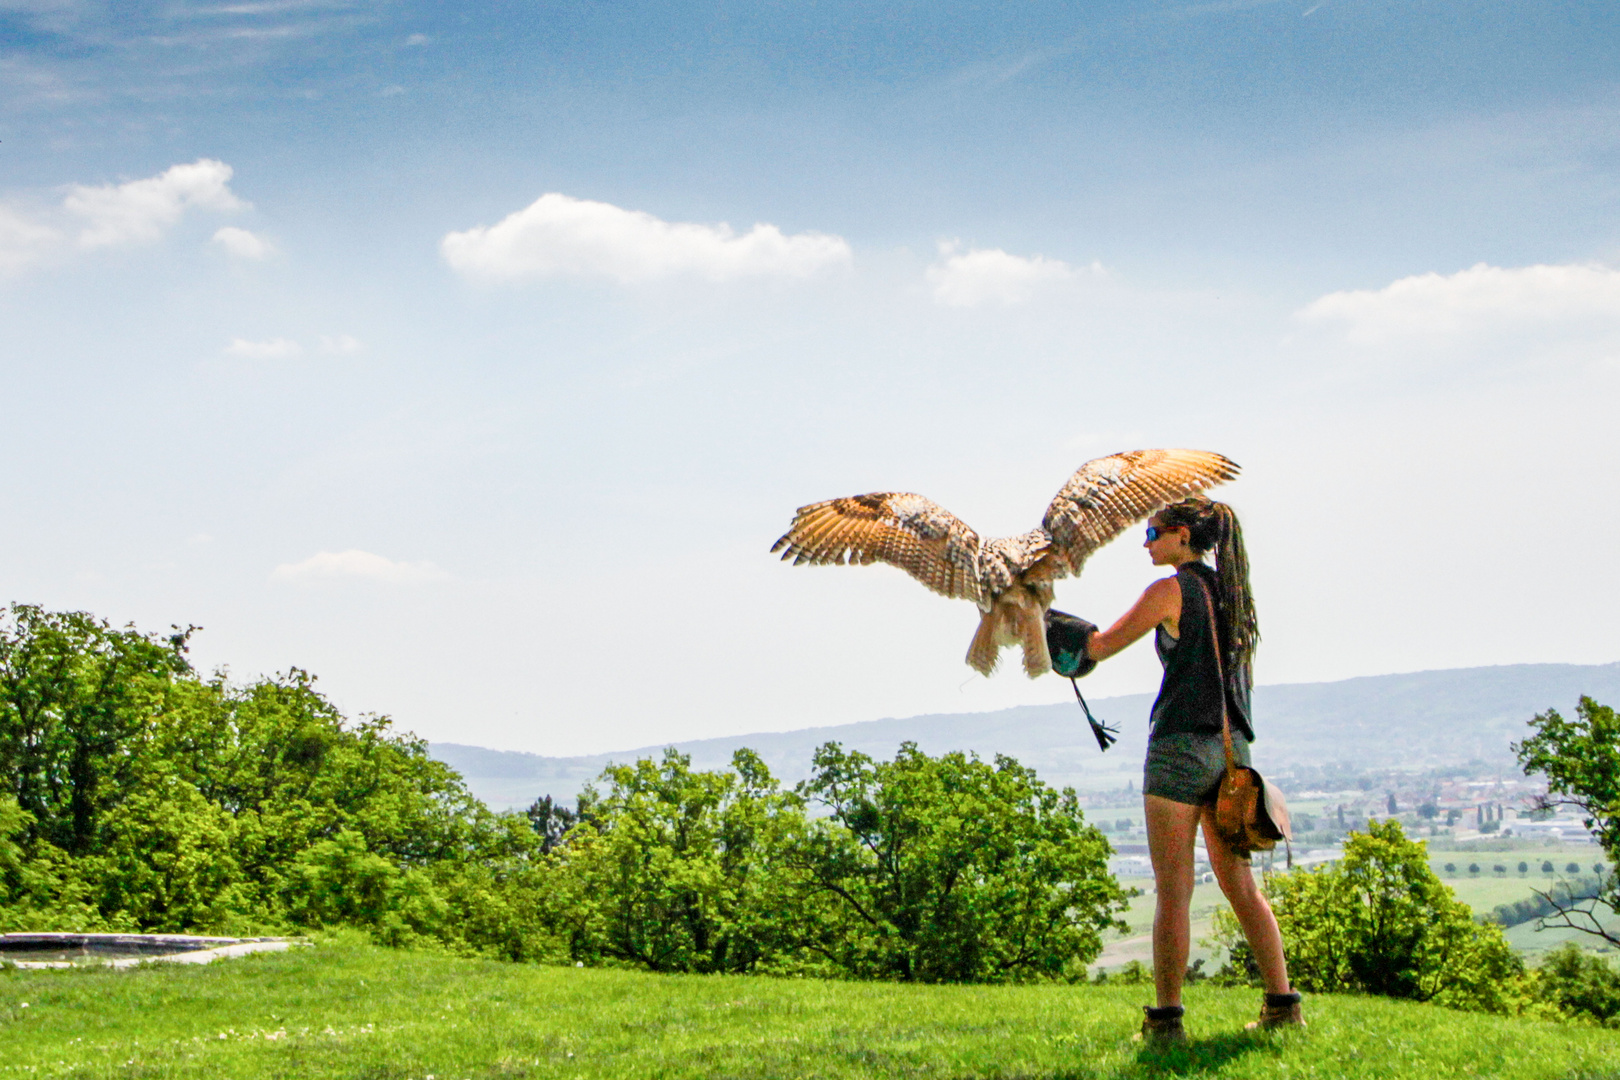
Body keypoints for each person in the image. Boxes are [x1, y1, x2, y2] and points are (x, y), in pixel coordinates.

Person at [1082, 496, 1303, 1043]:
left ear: (1182, 536)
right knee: (1242, 888)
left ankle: (1165, 1023)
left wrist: (1042, 625)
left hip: (1181, 747)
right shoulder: (1232, 594)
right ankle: (1283, 1006)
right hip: (1233, 752)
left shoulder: (1170, 590)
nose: (1147, 544)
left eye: (1152, 534)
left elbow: (1100, 647)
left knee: (1173, 892)